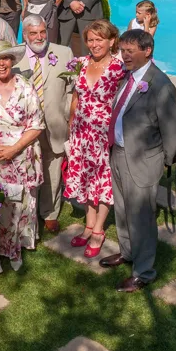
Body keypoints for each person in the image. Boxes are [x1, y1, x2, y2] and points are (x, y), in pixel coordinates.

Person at [99, 29, 176, 292]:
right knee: (123, 210)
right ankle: (128, 252)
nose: (124, 55)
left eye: (130, 51)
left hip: (143, 160)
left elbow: (175, 129)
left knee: (142, 218)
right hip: (119, 154)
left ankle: (143, 272)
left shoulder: (160, 85)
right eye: (122, 50)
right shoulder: (128, 77)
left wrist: (164, 159)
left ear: (147, 51)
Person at [0, 42, 44, 270]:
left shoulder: (25, 87)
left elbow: (37, 125)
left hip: (22, 154)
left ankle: (16, 248)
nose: (1, 64)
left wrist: (14, 149)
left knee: (20, 203)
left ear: (12, 61)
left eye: (5, 59)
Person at [62, 20, 126, 259]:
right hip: (81, 132)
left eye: (100, 39)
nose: (94, 44)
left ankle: (99, 230)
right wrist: (71, 125)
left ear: (111, 41)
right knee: (87, 179)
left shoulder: (119, 68)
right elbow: (76, 97)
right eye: (90, 39)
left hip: (103, 133)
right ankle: (88, 225)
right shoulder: (79, 63)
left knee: (103, 181)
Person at [12, 14, 74, 235]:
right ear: (25, 34)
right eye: (33, 33)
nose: (39, 37)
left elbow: (70, 89)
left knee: (53, 167)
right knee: (27, 169)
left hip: (55, 123)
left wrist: (68, 116)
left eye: (42, 32)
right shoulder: (15, 57)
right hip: (26, 127)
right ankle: (27, 211)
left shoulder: (64, 52)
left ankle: (50, 212)